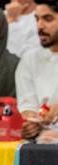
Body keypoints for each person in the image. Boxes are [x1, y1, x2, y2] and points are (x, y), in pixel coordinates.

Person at [17, 0, 58, 139]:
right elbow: (27, 104)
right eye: (37, 19)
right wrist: (30, 123)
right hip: (40, 142)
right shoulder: (29, 59)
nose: (40, 26)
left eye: (48, 19)